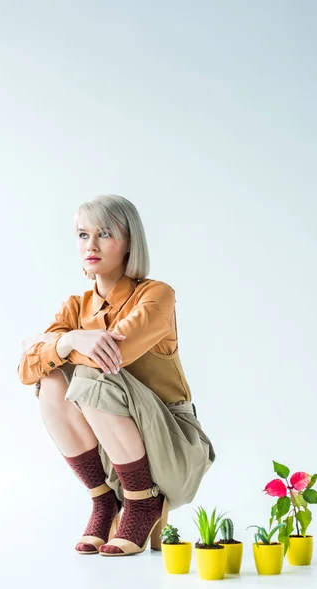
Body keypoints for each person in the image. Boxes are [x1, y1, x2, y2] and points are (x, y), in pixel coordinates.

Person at [17, 194, 215, 557]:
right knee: (52, 379)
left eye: (104, 233)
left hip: (173, 447)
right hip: (114, 455)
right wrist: (71, 338)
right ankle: (103, 499)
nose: (90, 245)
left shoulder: (156, 295)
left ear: (129, 244)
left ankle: (143, 503)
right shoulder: (75, 308)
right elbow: (26, 370)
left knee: (92, 374)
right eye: (82, 234)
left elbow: (112, 356)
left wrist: (50, 343)